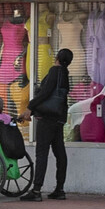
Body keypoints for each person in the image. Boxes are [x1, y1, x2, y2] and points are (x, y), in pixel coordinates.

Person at [28, 47, 73, 198]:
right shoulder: (66, 74)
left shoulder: (55, 71)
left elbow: (46, 92)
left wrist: (30, 107)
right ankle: (59, 189)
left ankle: (36, 190)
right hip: (58, 118)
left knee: (42, 153)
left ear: (57, 58)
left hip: (47, 118)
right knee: (60, 153)